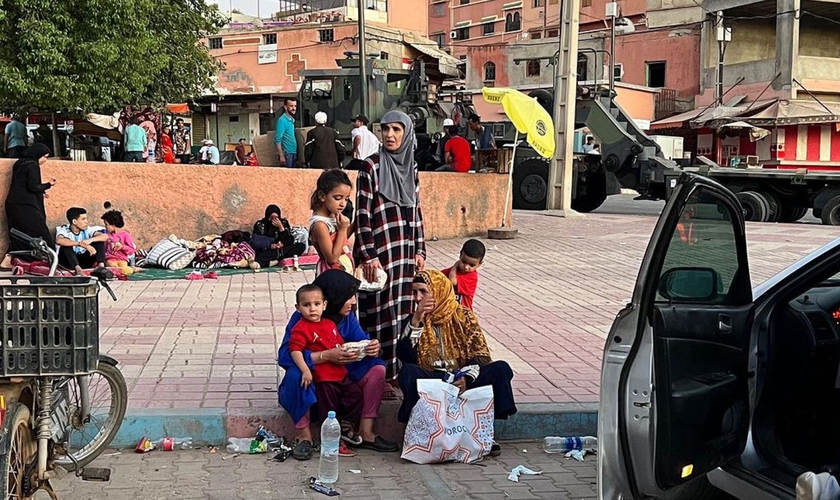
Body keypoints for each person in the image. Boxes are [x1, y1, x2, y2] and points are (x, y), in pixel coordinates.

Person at [278, 270, 398, 461]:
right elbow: (285, 356)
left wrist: (371, 347)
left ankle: (366, 432)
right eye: (348, 296)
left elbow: (360, 340)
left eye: (353, 296)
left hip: (337, 375)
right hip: (314, 378)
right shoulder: (302, 318)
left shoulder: (346, 317)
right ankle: (304, 437)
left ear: (326, 303)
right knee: (295, 375)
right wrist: (325, 356)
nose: (353, 302)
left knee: (377, 367)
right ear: (334, 296)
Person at [397, 270, 517, 453]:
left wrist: (466, 378)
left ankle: (484, 433)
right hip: (436, 380)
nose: (417, 298)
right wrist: (416, 320)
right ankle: (423, 433)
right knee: (408, 372)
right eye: (414, 293)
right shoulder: (414, 320)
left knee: (501, 369)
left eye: (423, 292)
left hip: (464, 376)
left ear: (438, 290)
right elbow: (405, 356)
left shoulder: (463, 316)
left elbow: (481, 355)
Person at [355, 109, 426, 382]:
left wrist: (420, 249)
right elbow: (362, 213)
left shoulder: (412, 167)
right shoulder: (370, 166)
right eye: (386, 129)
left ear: (407, 133)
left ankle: (397, 374)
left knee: (401, 312)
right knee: (377, 312)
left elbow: (416, 209)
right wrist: (369, 255)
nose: (390, 135)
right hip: (381, 252)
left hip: (405, 251)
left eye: (397, 130)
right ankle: (375, 375)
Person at [288, 284, 361, 458]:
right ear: (298, 308)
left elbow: (337, 344)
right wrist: (305, 370)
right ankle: (331, 441)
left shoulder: (329, 324)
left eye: (316, 304)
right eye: (306, 305)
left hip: (340, 374)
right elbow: (294, 350)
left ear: (325, 305)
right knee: (329, 409)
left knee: (355, 395)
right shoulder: (301, 327)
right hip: (324, 378)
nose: (312, 309)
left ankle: (345, 428)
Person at [1, 144, 56, 268]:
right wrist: (48, 185)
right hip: (25, 205)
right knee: (41, 232)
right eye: (45, 157)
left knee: (18, 233)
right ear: (38, 155)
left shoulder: (20, 163)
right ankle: (50, 261)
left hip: (13, 203)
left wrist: (40, 192)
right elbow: (33, 186)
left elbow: (22, 185)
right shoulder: (32, 165)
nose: (45, 160)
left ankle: (8, 260)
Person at [309, 169, 354, 275]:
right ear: (322, 196)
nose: (343, 204)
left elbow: (340, 240)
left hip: (343, 271)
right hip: (331, 274)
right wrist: (342, 229)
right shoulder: (320, 224)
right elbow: (332, 258)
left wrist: (353, 225)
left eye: (346, 199)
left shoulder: (333, 215)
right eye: (338, 198)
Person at [250, 204, 306, 269]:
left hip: (282, 249)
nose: (274, 220)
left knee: (300, 246)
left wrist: (281, 228)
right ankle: (272, 260)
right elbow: (255, 242)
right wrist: (270, 245)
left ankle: (275, 261)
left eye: (276, 218)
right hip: (268, 250)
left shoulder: (283, 223)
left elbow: (289, 241)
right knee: (260, 255)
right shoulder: (260, 225)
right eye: (271, 218)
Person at [55, 207, 109, 275]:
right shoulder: (64, 229)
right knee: (66, 245)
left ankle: (101, 267)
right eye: (83, 219)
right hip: (68, 262)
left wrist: (89, 240)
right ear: (74, 221)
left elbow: (105, 236)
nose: (86, 221)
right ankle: (78, 269)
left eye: (86, 218)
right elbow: (59, 240)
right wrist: (81, 244)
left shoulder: (87, 229)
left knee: (99, 241)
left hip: (84, 261)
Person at [442, 239, 486, 311]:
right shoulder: (450, 271)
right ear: (460, 255)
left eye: (471, 265)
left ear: (479, 264)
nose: (466, 267)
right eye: (464, 262)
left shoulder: (472, 277)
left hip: (463, 314)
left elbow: (452, 281)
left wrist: (456, 265)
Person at [275, 98, 298, 167]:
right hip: (287, 154)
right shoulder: (282, 120)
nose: (294, 108)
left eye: (295, 106)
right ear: (285, 107)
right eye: (291, 106)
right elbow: (277, 139)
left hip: (293, 152)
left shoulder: (292, 120)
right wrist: (281, 155)